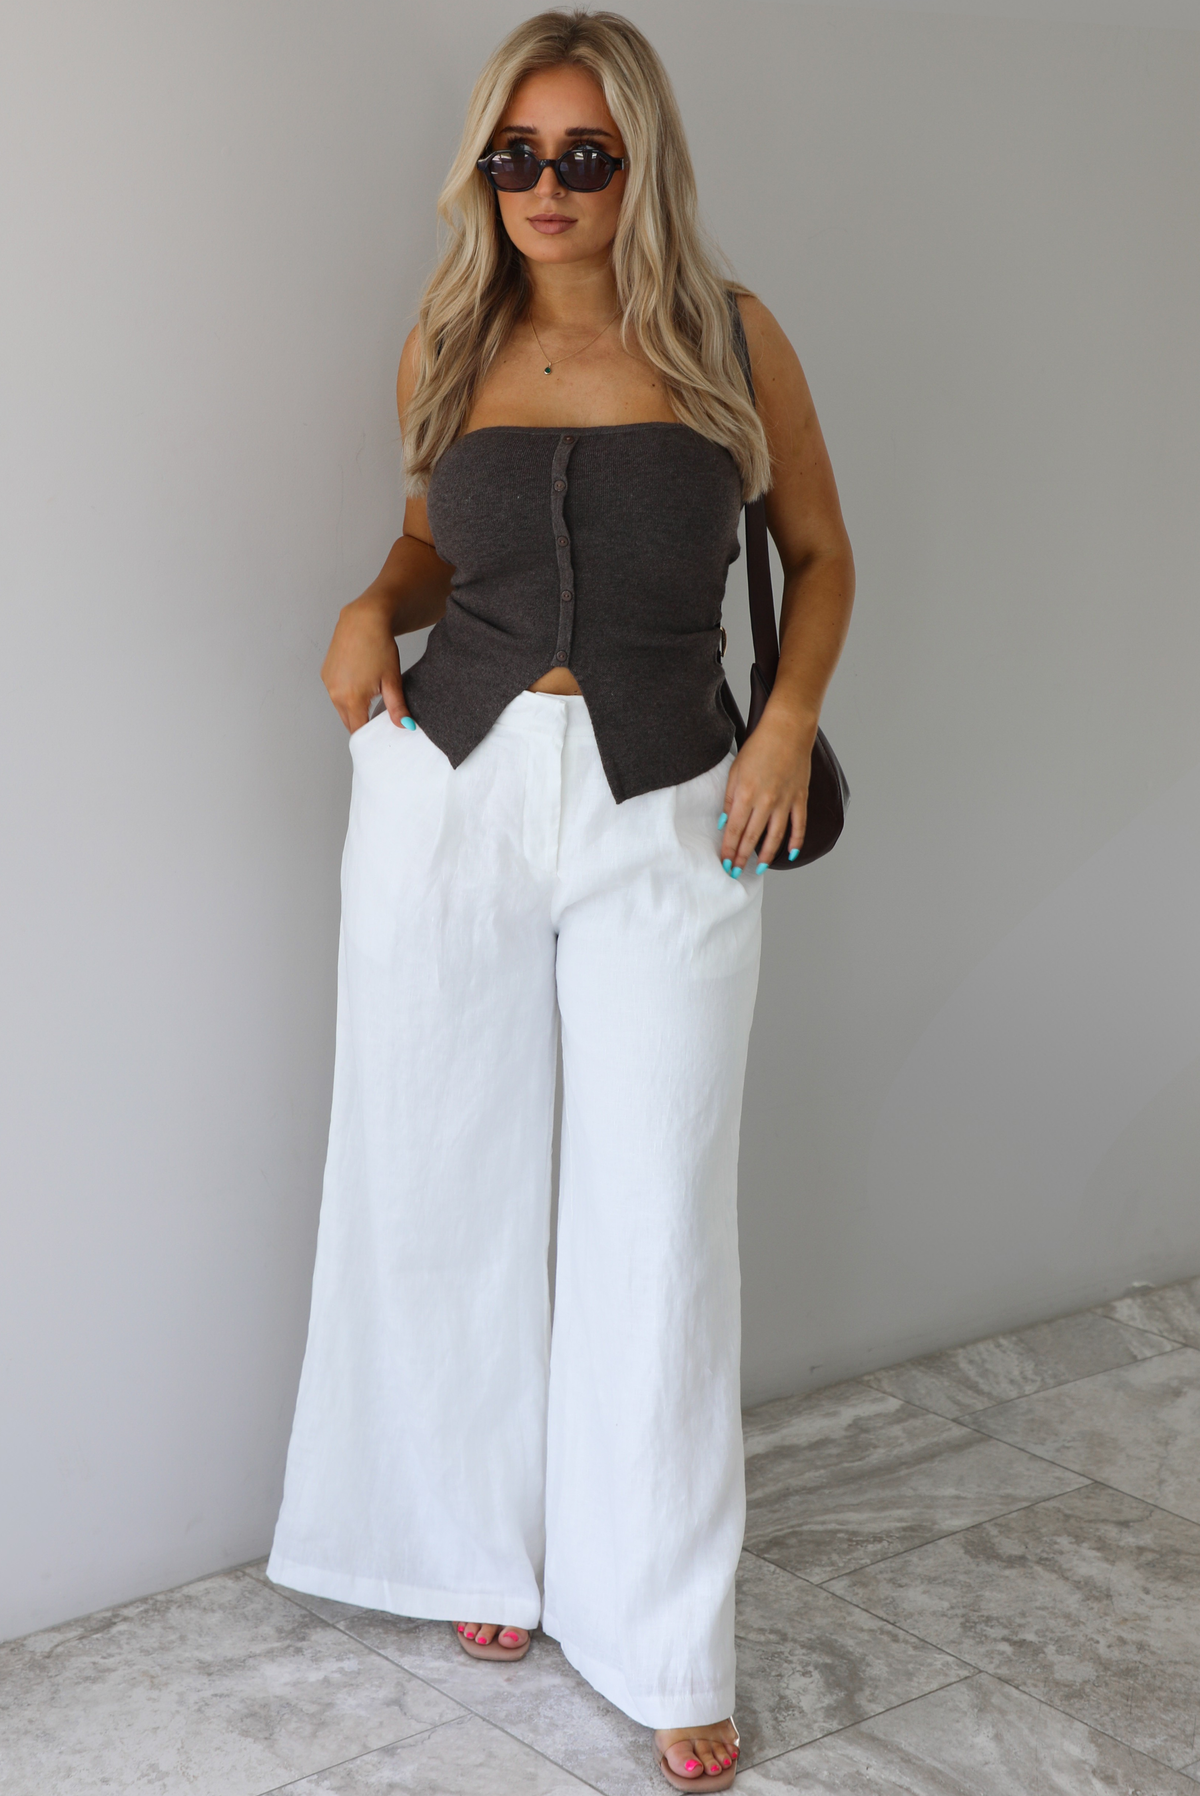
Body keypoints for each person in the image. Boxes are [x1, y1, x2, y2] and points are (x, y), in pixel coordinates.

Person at [266, 9, 854, 1789]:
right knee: (431, 1170)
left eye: (582, 156)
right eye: (515, 156)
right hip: (447, 785)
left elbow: (820, 551)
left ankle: (664, 1630)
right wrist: (377, 601)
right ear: (484, 170)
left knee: (654, 1216)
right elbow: (441, 538)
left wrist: (792, 716)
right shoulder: (450, 338)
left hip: (675, 797)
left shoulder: (735, 342)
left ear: (641, 164)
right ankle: (466, 1541)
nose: (544, 187)